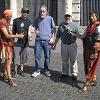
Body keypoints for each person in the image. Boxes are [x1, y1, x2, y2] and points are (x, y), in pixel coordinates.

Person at [53, 13, 81, 80]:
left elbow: (79, 35)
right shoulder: (61, 25)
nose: (67, 18)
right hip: (64, 45)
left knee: (73, 60)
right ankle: (65, 73)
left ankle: (74, 74)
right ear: (64, 17)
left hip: (72, 44)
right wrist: (54, 44)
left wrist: (72, 33)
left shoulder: (75, 25)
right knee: (64, 60)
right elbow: (57, 36)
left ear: (71, 17)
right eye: (66, 16)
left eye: (68, 16)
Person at [0, 9, 24, 86]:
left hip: (9, 44)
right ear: (7, 16)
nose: (11, 17)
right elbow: (7, 36)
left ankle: (5, 75)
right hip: (6, 45)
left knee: (8, 61)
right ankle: (9, 79)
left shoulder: (5, 22)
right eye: (10, 16)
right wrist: (18, 36)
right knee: (8, 63)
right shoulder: (2, 22)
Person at [31, 5, 55, 77]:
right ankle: (37, 70)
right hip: (38, 40)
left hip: (47, 41)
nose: (42, 13)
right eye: (41, 11)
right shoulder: (37, 18)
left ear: (46, 12)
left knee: (47, 57)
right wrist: (35, 31)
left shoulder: (50, 18)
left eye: (43, 11)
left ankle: (46, 70)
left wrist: (52, 38)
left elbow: (53, 29)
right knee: (37, 56)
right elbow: (33, 27)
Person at [79, 11, 100, 92]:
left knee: (90, 67)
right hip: (87, 49)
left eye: (93, 16)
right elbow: (82, 36)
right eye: (90, 16)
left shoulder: (98, 26)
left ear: (96, 17)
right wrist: (73, 33)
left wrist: (95, 53)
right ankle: (93, 80)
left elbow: (98, 40)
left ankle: (85, 86)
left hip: (94, 51)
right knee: (91, 66)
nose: (91, 17)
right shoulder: (90, 26)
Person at [12, 8, 32, 77]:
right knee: (16, 57)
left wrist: (30, 36)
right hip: (17, 43)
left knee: (23, 57)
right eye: (24, 12)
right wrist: (13, 39)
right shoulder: (16, 20)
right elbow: (13, 32)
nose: (25, 13)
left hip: (25, 43)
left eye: (27, 12)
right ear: (21, 12)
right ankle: (15, 70)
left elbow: (30, 31)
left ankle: (21, 69)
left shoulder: (29, 22)